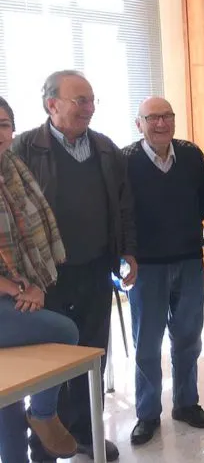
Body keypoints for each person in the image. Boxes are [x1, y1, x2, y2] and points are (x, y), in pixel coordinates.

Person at [12, 70, 136, 462]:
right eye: (79, 100)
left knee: (91, 352)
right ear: (52, 105)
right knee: (49, 356)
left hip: (96, 266)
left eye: (91, 100)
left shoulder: (104, 147)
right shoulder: (23, 147)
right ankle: (44, 442)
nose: (88, 108)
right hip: (44, 276)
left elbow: (123, 203)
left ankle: (85, 432)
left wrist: (128, 251)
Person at [122, 97, 204, 445]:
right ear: (139, 123)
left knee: (189, 337)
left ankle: (186, 403)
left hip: (190, 259)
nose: (161, 123)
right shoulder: (125, 160)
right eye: (152, 118)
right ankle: (147, 414)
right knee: (147, 342)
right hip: (147, 266)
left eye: (167, 116)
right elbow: (120, 211)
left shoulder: (191, 155)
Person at [0, 96, 80, 463]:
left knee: (8, 406)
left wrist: (32, 284)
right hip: (9, 292)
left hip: (18, 288)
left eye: (3, 124)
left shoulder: (13, 166)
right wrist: (20, 288)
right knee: (64, 332)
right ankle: (44, 414)